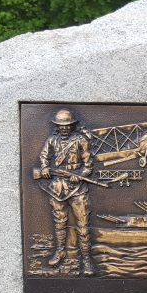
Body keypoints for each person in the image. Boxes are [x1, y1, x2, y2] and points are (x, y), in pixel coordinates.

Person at [34, 109, 96, 276]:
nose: (64, 128)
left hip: (77, 189)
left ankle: (87, 260)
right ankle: (60, 252)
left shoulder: (81, 140)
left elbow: (88, 164)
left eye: (67, 125)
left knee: (83, 225)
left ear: (72, 125)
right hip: (57, 187)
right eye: (61, 125)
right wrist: (45, 168)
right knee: (59, 222)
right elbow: (44, 156)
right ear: (57, 126)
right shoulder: (52, 140)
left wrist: (80, 174)